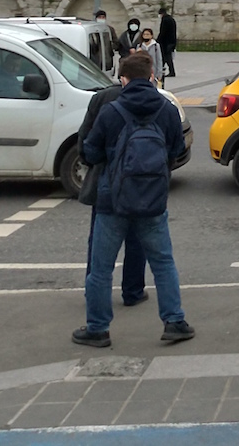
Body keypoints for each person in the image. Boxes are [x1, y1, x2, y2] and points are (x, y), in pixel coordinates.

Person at [74, 53, 192, 348]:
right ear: (152, 75)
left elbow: (89, 152)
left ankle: (98, 329)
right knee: (163, 262)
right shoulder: (166, 109)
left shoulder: (111, 110)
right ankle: (174, 321)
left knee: (101, 268)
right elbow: (177, 149)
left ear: (123, 79)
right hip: (152, 200)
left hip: (112, 200)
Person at [78, 53, 149, 309]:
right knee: (137, 239)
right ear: (150, 76)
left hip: (106, 182)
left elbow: (85, 144)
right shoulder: (157, 101)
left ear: (121, 76)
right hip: (142, 184)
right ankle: (133, 290)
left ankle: (94, 294)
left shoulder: (102, 99)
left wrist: (96, 163)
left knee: (99, 245)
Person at [157, 6, 178, 81]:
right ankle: (163, 70)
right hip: (171, 41)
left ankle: (171, 72)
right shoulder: (171, 19)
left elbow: (163, 31)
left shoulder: (165, 20)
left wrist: (158, 40)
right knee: (166, 57)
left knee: (167, 57)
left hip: (166, 42)